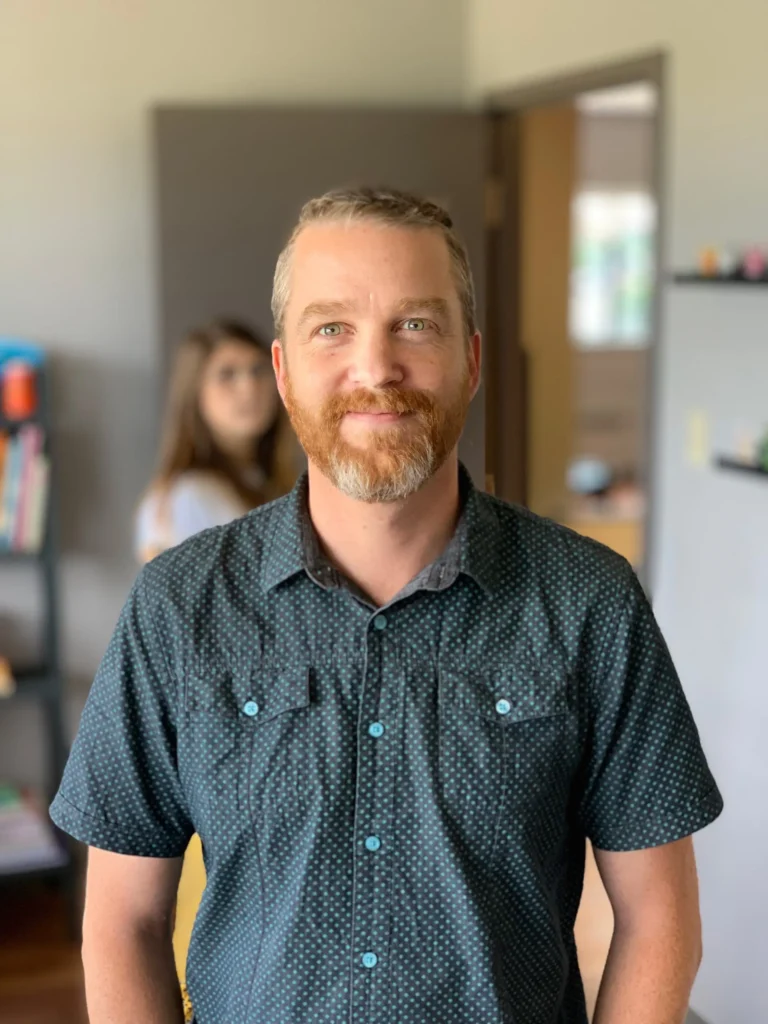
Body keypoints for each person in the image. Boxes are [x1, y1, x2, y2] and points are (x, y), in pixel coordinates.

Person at [51, 187, 723, 1024]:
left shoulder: (590, 601)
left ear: (472, 360)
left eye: (416, 324)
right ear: (284, 370)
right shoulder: (176, 606)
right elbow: (122, 921)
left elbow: (661, 919)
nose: (375, 368)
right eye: (332, 328)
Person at [134, 317, 297, 1017]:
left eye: (256, 371)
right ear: (192, 395)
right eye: (225, 375)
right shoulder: (198, 498)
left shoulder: (258, 484)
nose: (248, 389)